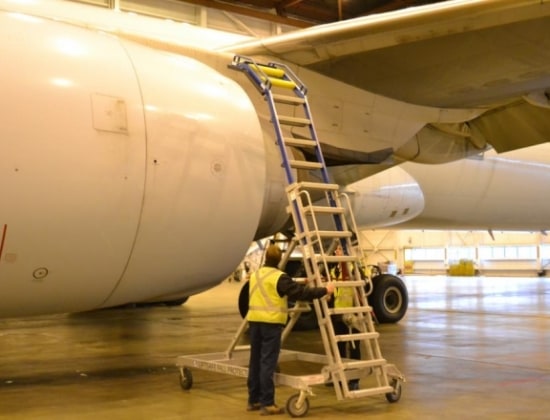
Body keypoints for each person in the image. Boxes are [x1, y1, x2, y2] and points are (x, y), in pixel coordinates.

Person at [247, 244, 335, 415]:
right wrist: (325, 290)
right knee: (267, 363)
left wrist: (302, 283)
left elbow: (284, 287)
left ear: (266, 258)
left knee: (255, 362)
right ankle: (267, 403)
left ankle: (253, 400)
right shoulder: (279, 277)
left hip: (254, 322)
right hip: (270, 324)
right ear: (280, 259)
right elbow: (299, 293)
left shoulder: (256, 275)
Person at [331, 245, 361, 390]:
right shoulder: (334, 269)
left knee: (354, 348)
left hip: (353, 314)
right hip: (338, 314)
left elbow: (361, 284)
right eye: (336, 250)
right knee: (339, 347)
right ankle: (341, 377)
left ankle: (354, 379)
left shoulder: (353, 267)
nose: (337, 252)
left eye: (340, 249)